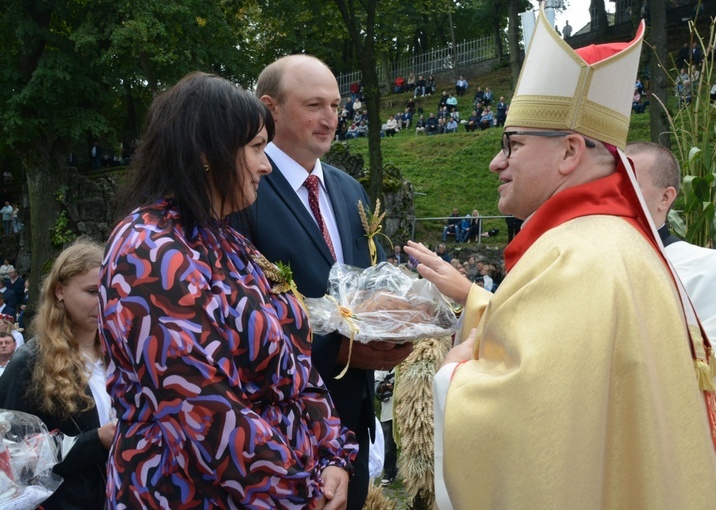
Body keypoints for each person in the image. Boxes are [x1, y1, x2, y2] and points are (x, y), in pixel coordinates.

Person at [405, 12, 716, 509]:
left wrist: (454, 374)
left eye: (512, 144)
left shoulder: (575, 254)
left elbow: (528, 423)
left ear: (571, 151)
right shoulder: (611, 242)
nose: (496, 163)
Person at [98, 72, 357, 508]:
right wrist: (303, 496)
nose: (266, 164)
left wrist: (334, 455)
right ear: (206, 153)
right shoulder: (147, 249)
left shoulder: (228, 241)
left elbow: (296, 367)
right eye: (256, 148)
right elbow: (205, 414)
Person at [229, 56, 412, 509]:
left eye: (336, 104)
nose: (331, 118)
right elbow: (235, 313)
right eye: (315, 105)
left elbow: (369, 281)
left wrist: (394, 326)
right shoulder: (241, 189)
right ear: (269, 108)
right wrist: (338, 351)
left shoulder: (349, 189)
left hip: (352, 420)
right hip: (281, 426)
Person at [626, 141, 716, 430]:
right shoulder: (586, 263)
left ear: (665, 198)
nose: (614, 193)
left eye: (630, 183)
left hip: (673, 435)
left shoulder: (705, 268)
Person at [0, 238, 113, 509]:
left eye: (109, 291)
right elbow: (14, 459)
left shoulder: (124, 356)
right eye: (92, 291)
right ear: (60, 291)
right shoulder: (30, 362)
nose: (103, 301)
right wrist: (97, 441)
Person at [374, 370, 398, 486]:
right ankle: (389, 472)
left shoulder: (406, 362)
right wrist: (384, 387)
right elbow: (375, 386)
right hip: (389, 410)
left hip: (407, 409)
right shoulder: (382, 367)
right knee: (388, 443)